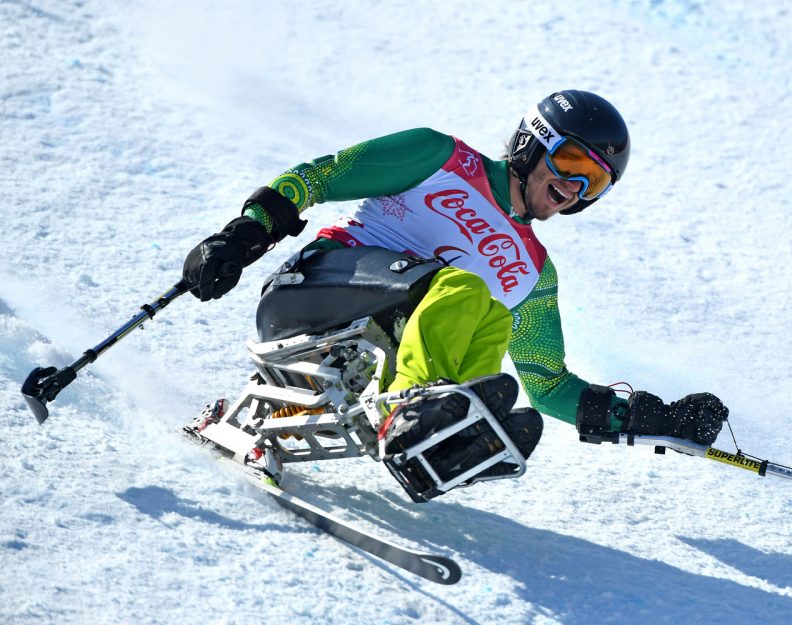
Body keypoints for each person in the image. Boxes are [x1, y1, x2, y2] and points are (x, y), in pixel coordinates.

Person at [181, 90, 729, 496]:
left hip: (375, 355)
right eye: (573, 163)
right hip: (313, 292)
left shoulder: (535, 274)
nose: (576, 188)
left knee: (489, 317)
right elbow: (321, 176)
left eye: (597, 181)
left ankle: (441, 432)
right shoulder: (440, 158)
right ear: (533, 142)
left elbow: (548, 384)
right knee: (463, 287)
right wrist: (244, 232)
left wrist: (642, 418)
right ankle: (411, 412)